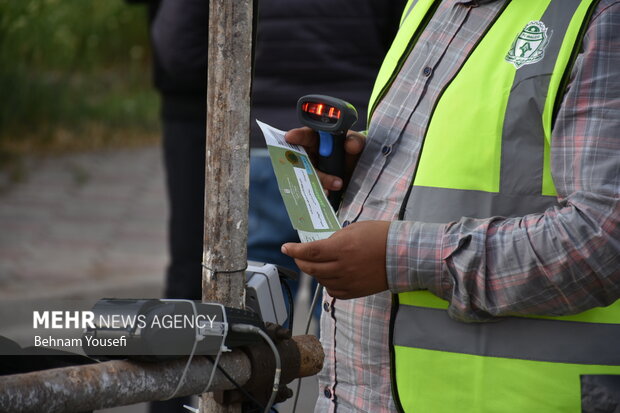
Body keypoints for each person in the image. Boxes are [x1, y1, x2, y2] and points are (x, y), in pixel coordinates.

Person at [281, 0, 620, 412]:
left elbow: (602, 240)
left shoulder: (600, 15)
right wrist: (369, 171)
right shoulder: (429, 5)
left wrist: (398, 256)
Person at [147, 0, 405, 411]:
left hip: (264, 148)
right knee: (348, 326)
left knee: (248, 322)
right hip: (357, 152)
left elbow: (178, 47)